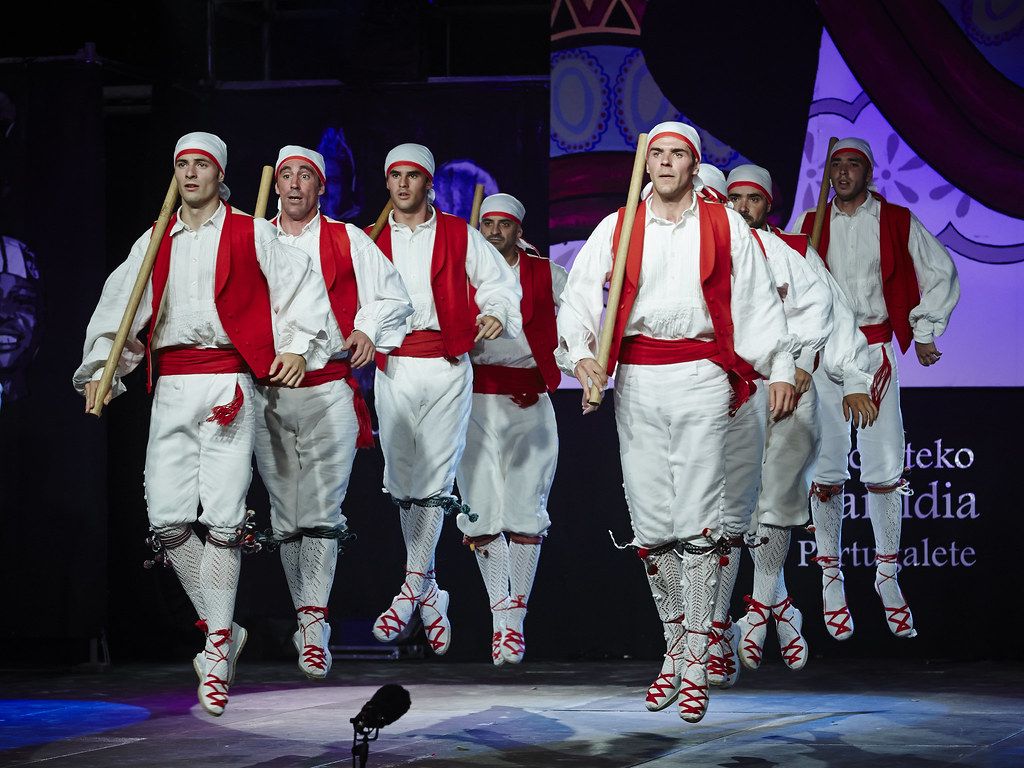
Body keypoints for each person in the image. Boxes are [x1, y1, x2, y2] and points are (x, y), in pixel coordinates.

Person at [74, 132, 334, 715]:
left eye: (201, 165)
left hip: (228, 383)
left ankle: (215, 645)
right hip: (172, 384)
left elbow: (301, 286)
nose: (190, 174)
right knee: (166, 520)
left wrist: (296, 345)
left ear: (220, 174)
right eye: (182, 165)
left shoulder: (251, 232)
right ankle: (226, 627)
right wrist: (103, 369)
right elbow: (121, 308)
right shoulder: (156, 238)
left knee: (222, 517)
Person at [557, 122, 795, 723]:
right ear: (648, 164)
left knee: (696, 517)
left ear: (693, 165)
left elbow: (758, 300)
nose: (664, 163)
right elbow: (580, 294)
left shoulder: (724, 224)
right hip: (638, 378)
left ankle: (693, 662)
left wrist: (782, 367)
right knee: (652, 522)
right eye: (657, 154)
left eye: (676, 155)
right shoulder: (620, 225)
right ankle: (676, 644)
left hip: (701, 375)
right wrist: (582, 356)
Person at [255, 145, 412, 678]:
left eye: (306, 176)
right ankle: (306, 618)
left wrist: (366, 328)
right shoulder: (255, 238)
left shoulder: (347, 239)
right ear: (277, 184)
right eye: (287, 175)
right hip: (270, 393)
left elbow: (393, 296)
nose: (295, 184)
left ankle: (314, 622)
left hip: (328, 391)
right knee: (285, 514)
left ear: (321, 186)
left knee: (321, 511)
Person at [795, 138, 959, 639]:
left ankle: (887, 575)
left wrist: (925, 330)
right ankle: (831, 579)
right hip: (825, 353)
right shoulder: (809, 223)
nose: (844, 173)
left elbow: (941, 272)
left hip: (874, 349)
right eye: (836, 165)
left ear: (869, 172)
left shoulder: (896, 220)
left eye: (853, 165)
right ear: (827, 174)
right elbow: (789, 290)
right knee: (826, 467)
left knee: (884, 464)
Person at [367, 143, 521, 656]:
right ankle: (429, 588)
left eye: (413, 176)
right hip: (394, 366)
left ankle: (411, 586)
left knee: (434, 478)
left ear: (428, 183)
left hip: (447, 364)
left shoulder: (459, 233)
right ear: (387, 183)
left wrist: (495, 310)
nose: (403, 184)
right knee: (404, 481)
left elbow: (498, 282)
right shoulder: (369, 240)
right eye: (395, 176)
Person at [455, 193, 565, 665]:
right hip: (473, 401)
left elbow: (582, 313)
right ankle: (500, 613)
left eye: (504, 224)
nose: (495, 232)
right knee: (479, 510)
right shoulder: (461, 274)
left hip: (529, 402)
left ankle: (515, 617)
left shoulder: (545, 274)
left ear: (519, 230)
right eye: (487, 224)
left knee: (524, 510)